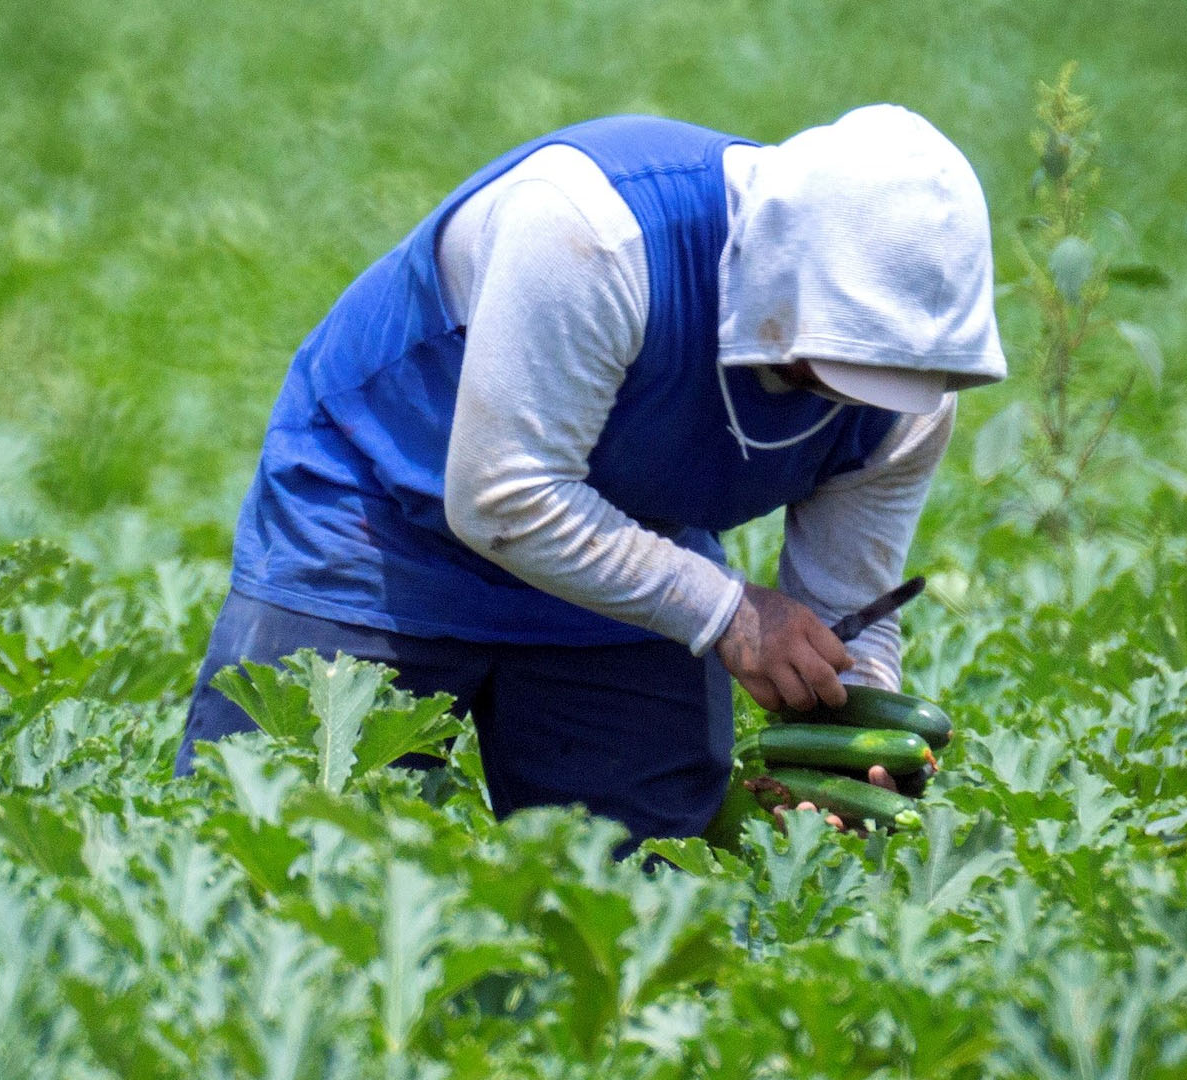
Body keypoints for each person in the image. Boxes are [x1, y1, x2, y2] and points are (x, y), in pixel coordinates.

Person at [175, 105, 1006, 842]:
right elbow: (506, 497)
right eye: (826, 364)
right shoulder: (596, 234)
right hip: (380, 525)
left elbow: (846, 612)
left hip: (621, 567)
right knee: (281, 847)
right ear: (774, 277)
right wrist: (727, 613)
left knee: (647, 895)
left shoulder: (910, 398)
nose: (848, 396)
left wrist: (852, 736)